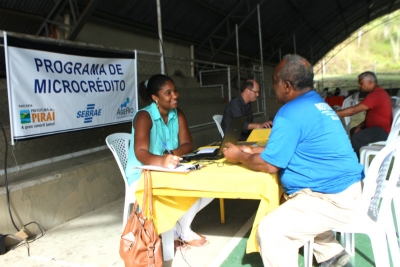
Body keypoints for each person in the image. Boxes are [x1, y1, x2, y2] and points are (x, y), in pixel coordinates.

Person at [222, 54, 364, 267]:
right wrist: (252, 149)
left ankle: (330, 254)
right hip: (345, 189)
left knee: (270, 230)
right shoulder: (317, 103)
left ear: (287, 86)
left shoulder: (290, 112)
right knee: (289, 199)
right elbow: (294, 147)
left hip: (332, 197)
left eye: (274, 81)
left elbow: (270, 165)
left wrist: (240, 156)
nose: (272, 86)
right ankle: (331, 255)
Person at [125, 74, 212, 249]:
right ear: (155, 98)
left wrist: (170, 155)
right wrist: (162, 161)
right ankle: (183, 233)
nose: (175, 95)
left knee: (208, 185)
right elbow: (140, 152)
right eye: (168, 93)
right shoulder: (144, 116)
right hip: (143, 174)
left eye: (175, 91)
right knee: (189, 188)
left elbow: (188, 144)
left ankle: (178, 229)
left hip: (168, 168)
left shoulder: (177, 114)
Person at [336, 71, 393, 158]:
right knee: (353, 131)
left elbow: (354, 110)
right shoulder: (376, 93)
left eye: (361, 83)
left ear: (370, 82)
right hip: (377, 128)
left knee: (357, 137)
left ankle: (359, 163)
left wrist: (332, 113)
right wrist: (360, 125)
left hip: (382, 131)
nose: (359, 85)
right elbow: (372, 115)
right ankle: (358, 157)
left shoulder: (376, 94)